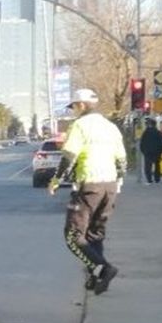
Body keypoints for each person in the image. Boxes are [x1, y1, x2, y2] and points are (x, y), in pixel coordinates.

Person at [49, 88, 126, 294]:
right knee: (94, 235)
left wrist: (57, 180)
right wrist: (117, 183)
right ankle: (95, 276)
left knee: (73, 237)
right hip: (110, 187)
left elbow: (69, 157)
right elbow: (122, 161)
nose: (73, 111)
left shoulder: (80, 125)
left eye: (74, 106)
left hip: (89, 185)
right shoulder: (111, 127)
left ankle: (103, 269)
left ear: (81, 105)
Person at [138, 119, 162, 184]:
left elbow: (142, 143)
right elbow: (161, 142)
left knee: (148, 166)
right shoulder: (158, 132)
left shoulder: (145, 133)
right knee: (157, 165)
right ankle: (157, 179)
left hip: (148, 152)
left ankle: (149, 179)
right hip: (157, 152)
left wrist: (143, 151)